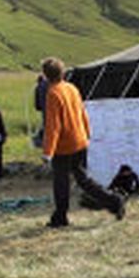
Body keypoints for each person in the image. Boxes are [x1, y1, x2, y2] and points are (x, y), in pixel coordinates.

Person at [40, 57, 125, 227]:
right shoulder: (71, 88)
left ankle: (60, 217)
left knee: (61, 182)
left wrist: (48, 152)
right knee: (82, 179)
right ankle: (113, 201)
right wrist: (86, 133)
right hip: (79, 140)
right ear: (62, 72)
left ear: (46, 75)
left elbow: (53, 125)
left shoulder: (53, 93)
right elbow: (82, 113)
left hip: (64, 146)